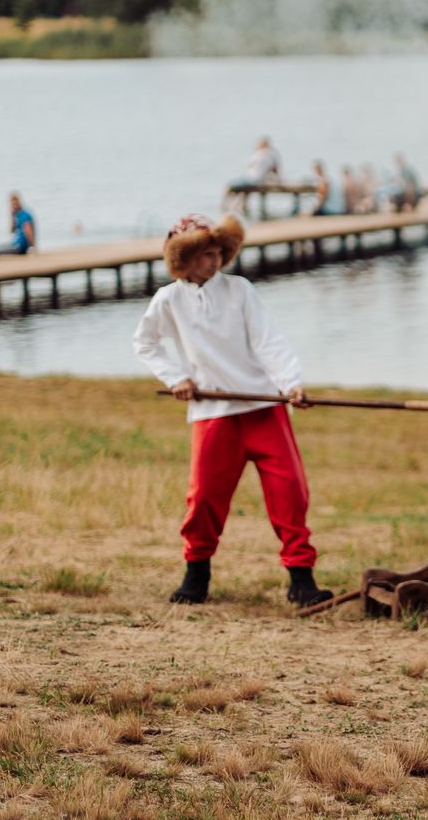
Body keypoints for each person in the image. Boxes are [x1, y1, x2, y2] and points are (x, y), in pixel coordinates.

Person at [131, 213, 334, 607]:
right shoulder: (168, 300)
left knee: (290, 492)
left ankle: (302, 581)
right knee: (205, 497)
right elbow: (145, 343)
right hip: (213, 414)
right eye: (206, 254)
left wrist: (290, 383)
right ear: (184, 258)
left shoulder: (240, 289)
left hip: (264, 408)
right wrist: (176, 378)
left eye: (219, 253)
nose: (216, 261)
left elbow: (268, 341)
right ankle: (196, 577)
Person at [225, 137, 282, 213]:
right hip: (258, 179)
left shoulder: (260, 154)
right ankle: (242, 207)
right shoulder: (272, 155)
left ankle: (224, 206)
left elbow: (250, 167)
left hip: (252, 179)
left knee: (228, 186)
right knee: (244, 190)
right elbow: (275, 170)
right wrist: (278, 179)